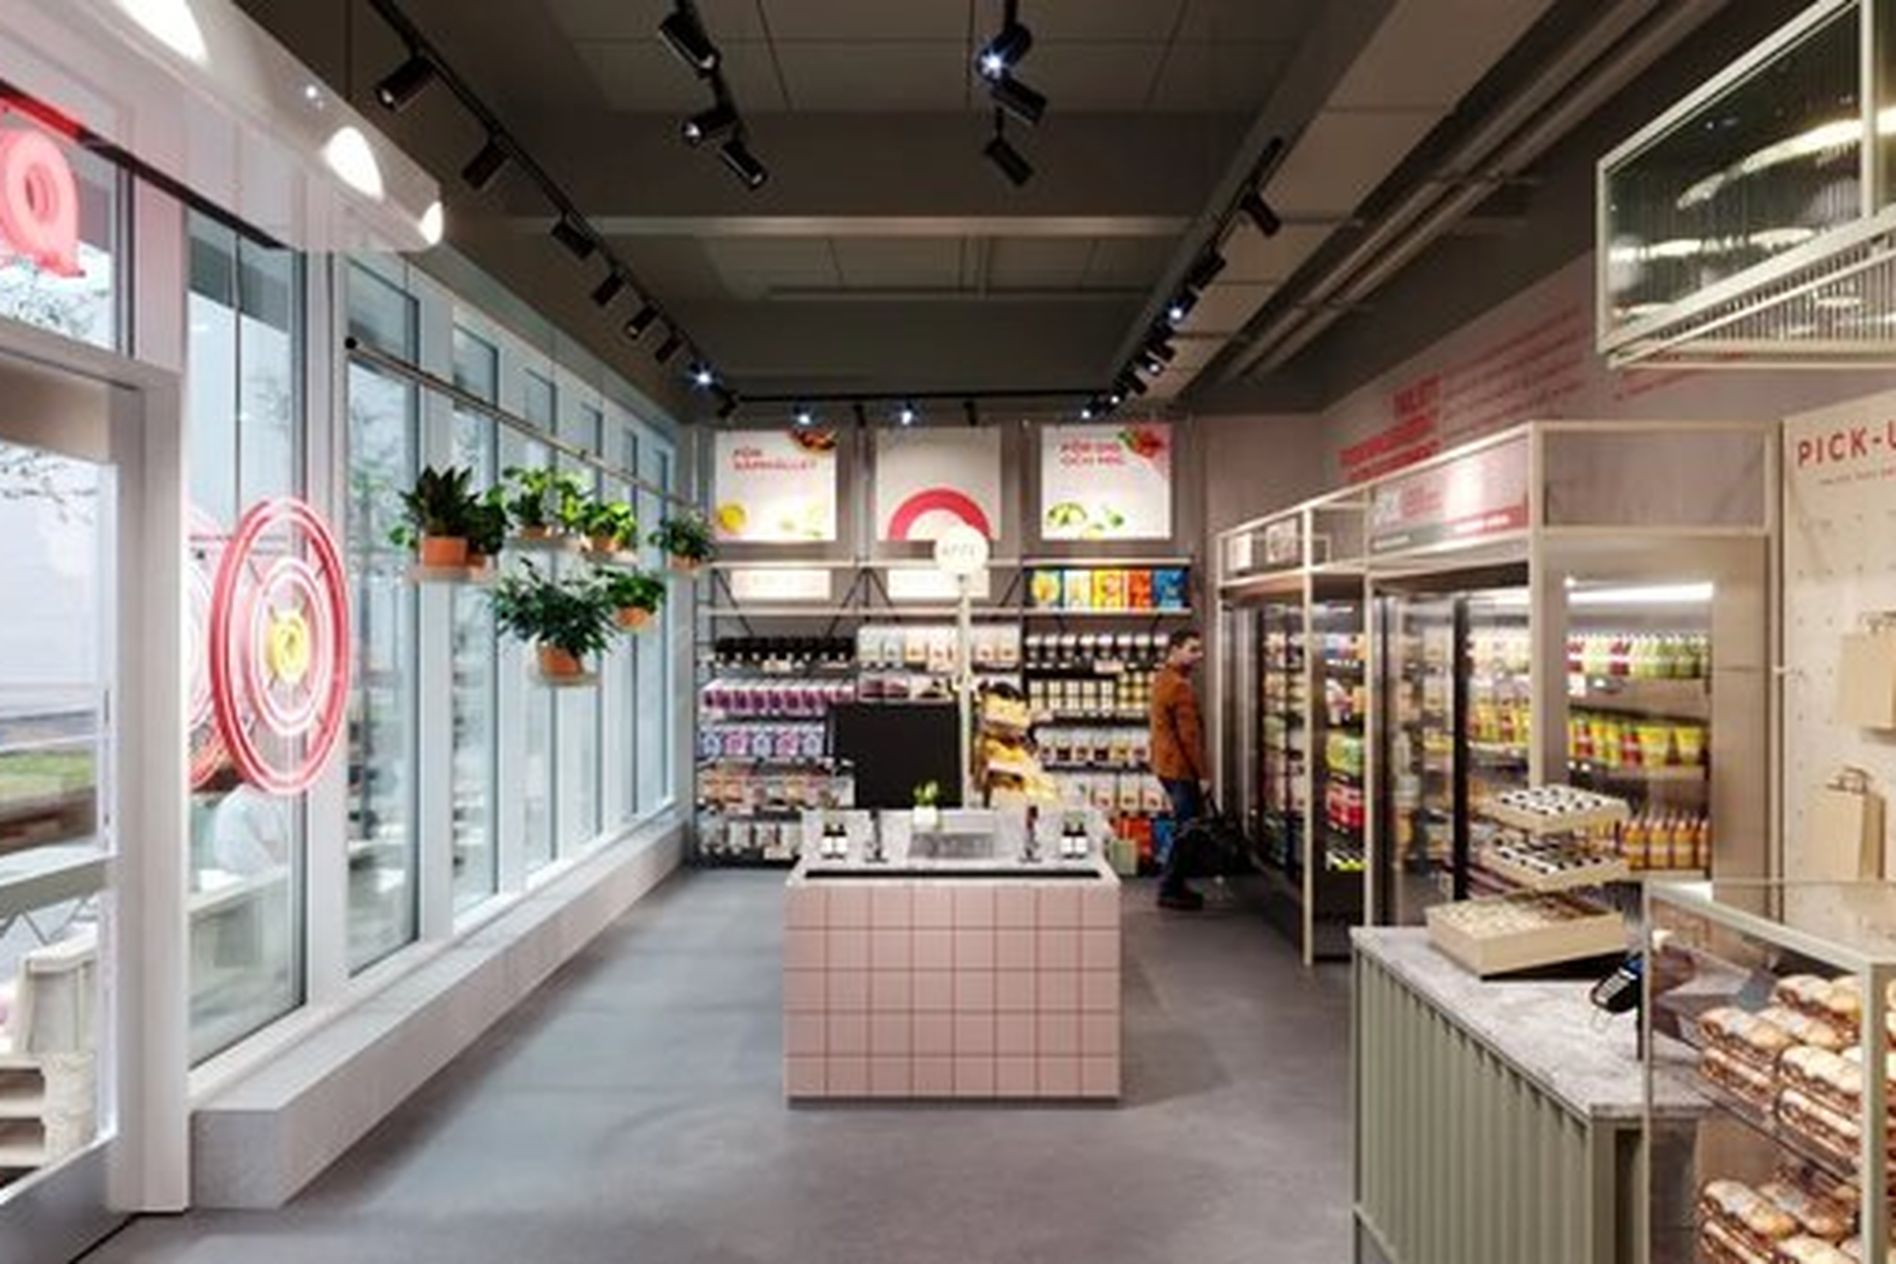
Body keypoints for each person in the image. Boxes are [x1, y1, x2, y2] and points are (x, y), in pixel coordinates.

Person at [1149, 626, 1208, 910]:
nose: (1199, 655)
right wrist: (1204, 774)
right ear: (1174, 650)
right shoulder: (1180, 686)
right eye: (1193, 649)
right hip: (1180, 767)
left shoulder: (1162, 678)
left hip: (1164, 764)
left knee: (1184, 825)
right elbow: (1190, 737)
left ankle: (1175, 883)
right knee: (1187, 828)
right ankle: (1170, 887)